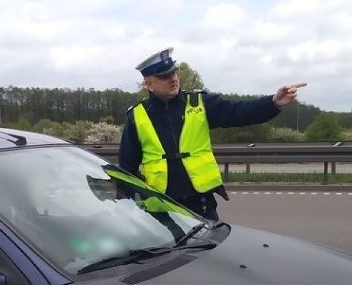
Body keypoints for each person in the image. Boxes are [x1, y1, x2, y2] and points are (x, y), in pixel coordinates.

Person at [119, 47, 306, 220]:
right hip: (161, 207)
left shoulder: (198, 103)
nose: (173, 78)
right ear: (149, 84)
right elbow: (127, 168)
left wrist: (273, 103)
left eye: (174, 72)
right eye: (165, 76)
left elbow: (238, 111)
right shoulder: (137, 116)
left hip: (201, 203)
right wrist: (129, 207)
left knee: (211, 253)